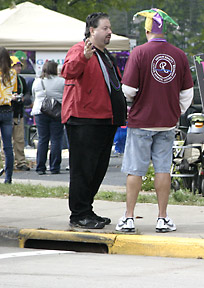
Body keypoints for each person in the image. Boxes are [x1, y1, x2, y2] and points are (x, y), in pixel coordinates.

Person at [115, 8, 193, 233]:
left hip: (141, 121)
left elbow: (128, 89)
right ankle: (162, 218)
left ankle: (129, 218)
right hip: (167, 123)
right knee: (162, 170)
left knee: (135, 170)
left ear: (147, 29)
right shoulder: (179, 55)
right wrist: (173, 110)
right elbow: (187, 93)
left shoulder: (139, 53)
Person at [61, 12, 127, 229]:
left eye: (110, 28)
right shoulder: (80, 50)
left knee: (97, 169)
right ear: (92, 30)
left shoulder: (105, 55)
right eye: (106, 28)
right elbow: (68, 72)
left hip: (105, 120)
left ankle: (87, 210)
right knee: (83, 169)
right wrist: (84, 57)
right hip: (84, 119)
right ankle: (78, 214)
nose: (110, 32)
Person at [31, 61, 65, 175]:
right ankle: (54, 167)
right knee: (56, 139)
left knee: (42, 139)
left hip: (40, 111)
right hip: (56, 112)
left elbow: (34, 95)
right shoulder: (62, 81)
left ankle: (40, 167)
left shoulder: (37, 81)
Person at [10, 56, 31, 171]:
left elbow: (28, 93)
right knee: (7, 140)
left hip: (18, 114)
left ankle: (21, 162)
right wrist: (11, 97)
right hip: (7, 113)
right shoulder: (4, 79)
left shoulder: (22, 80)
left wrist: (23, 98)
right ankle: (8, 163)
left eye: (19, 66)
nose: (18, 68)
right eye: (16, 66)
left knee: (19, 139)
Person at [0, 47, 17, 184]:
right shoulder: (12, 73)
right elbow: (13, 91)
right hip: (7, 110)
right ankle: (8, 177)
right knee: (8, 146)